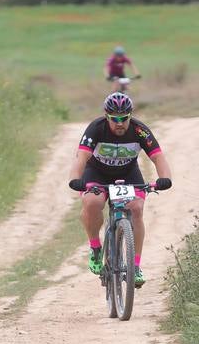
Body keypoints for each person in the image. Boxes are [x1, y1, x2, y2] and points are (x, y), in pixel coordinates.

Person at [68, 91, 172, 288]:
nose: (119, 123)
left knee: (136, 209)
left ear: (130, 116)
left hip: (128, 174)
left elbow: (158, 157)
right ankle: (96, 249)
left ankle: (136, 267)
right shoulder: (96, 128)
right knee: (91, 203)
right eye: (114, 119)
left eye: (124, 118)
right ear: (106, 116)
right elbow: (81, 158)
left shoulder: (140, 130)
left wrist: (165, 178)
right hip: (96, 173)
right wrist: (75, 179)